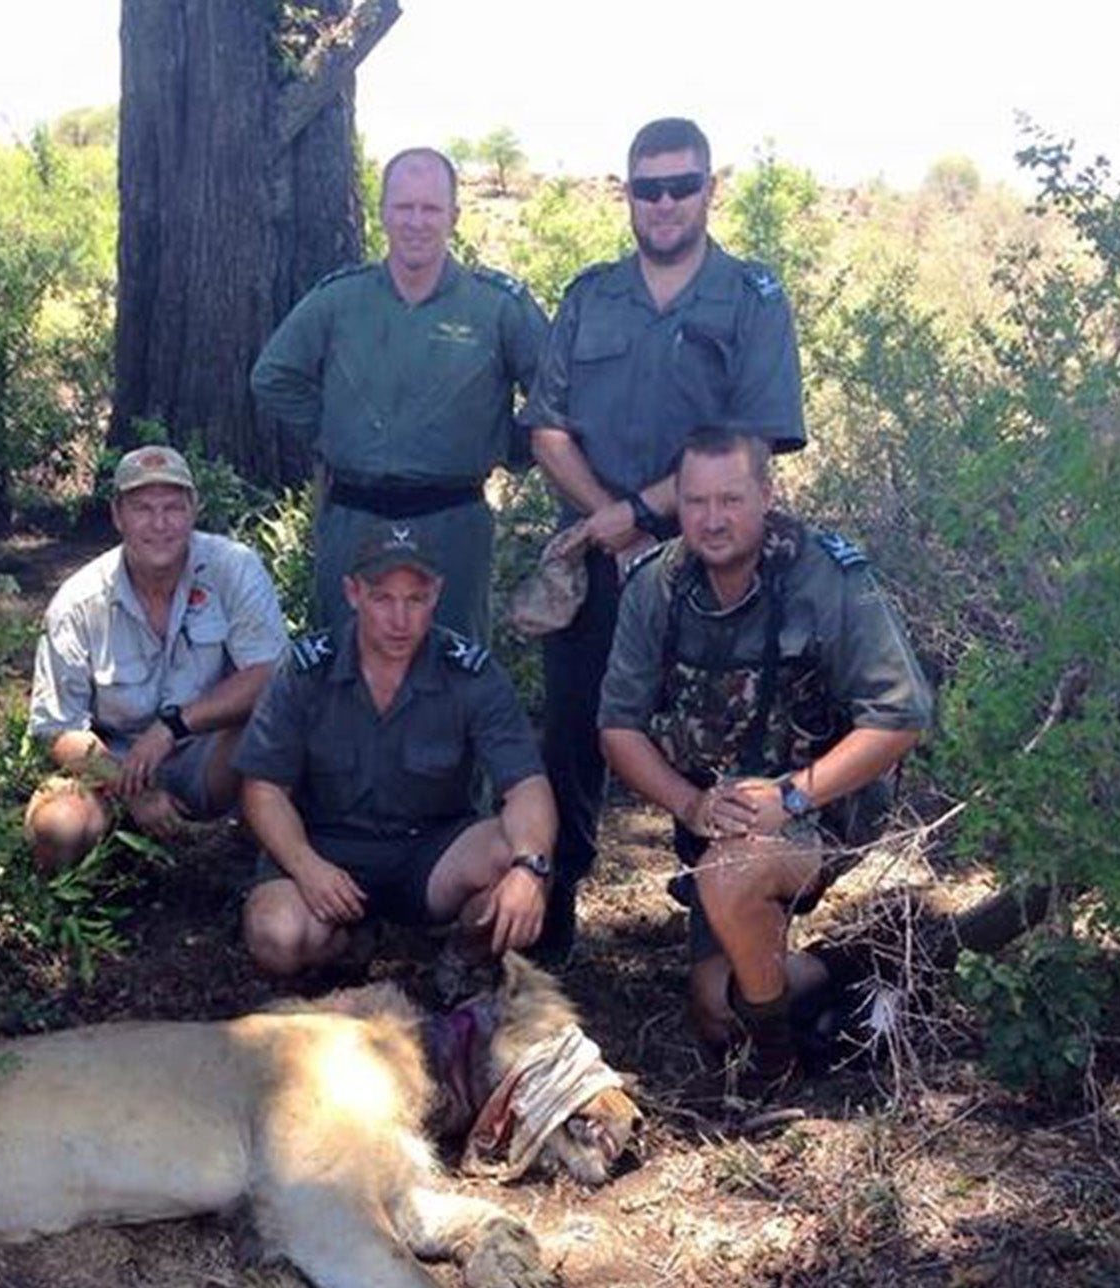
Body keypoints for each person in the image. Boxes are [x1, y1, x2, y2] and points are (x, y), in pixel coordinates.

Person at [522, 116, 806, 960]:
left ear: (710, 190)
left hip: (712, 562)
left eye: (683, 184)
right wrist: (611, 524)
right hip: (597, 565)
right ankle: (555, 909)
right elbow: (546, 428)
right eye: (649, 187)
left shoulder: (750, 299)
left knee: (721, 734)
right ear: (629, 194)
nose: (666, 201)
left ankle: (717, 912)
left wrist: (645, 518)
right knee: (575, 731)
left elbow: (756, 440)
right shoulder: (589, 297)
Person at [599, 430, 932, 1091]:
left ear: (767, 496)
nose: (713, 519)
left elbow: (901, 715)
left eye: (731, 499)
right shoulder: (656, 586)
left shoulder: (825, 577)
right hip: (713, 819)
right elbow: (617, 727)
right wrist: (689, 803)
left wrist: (793, 799)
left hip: (823, 810)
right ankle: (854, 962)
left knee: (733, 872)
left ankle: (770, 1072)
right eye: (696, 502)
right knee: (716, 1008)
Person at [251, 147, 548, 642]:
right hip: (353, 517)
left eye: (430, 208)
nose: (416, 222)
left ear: (454, 215)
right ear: (382, 212)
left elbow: (553, 398)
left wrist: (506, 445)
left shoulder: (497, 307)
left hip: (452, 522)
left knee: (454, 670)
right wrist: (333, 431)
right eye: (404, 207)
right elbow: (273, 376)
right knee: (344, 665)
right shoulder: (339, 300)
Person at [235, 526, 556, 980]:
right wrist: (307, 867)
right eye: (383, 598)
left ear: (437, 594)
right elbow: (263, 788)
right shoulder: (307, 671)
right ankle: (347, 944)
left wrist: (531, 867)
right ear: (352, 592)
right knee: (277, 935)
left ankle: (462, 958)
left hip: (430, 854)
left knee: (522, 859)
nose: (399, 619)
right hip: (327, 849)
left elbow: (526, 785)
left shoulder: (470, 672)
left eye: (416, 599)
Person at [25, 446, 288, 871]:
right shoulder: (78, 601)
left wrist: (171, 727)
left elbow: (269, 674)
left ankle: (247, 862)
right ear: (117, 515)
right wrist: (132, 789)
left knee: (272, 721)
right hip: (115, 768)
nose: (160, 524)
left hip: (211, 757)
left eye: (173, 508)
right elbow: (59, 727)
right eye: (143, 509)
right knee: (59, 827)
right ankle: (91, 898)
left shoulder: (234, 568)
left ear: (194, 510)